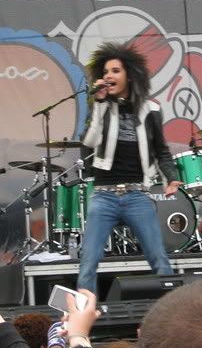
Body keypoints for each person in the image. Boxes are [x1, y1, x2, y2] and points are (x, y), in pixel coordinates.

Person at [76, 41, 182, 293]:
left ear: (130, 75)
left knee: (159, 258)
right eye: (105, 72)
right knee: (89, 261)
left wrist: (171, 176)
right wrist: (98, 105)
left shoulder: (151, 109)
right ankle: (83, 311)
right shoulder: (101, 106)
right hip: (104, 196)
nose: (108, 76)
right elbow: (89, 142)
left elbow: (161, 150)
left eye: (115, 71)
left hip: (137, 195)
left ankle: (172, 308)